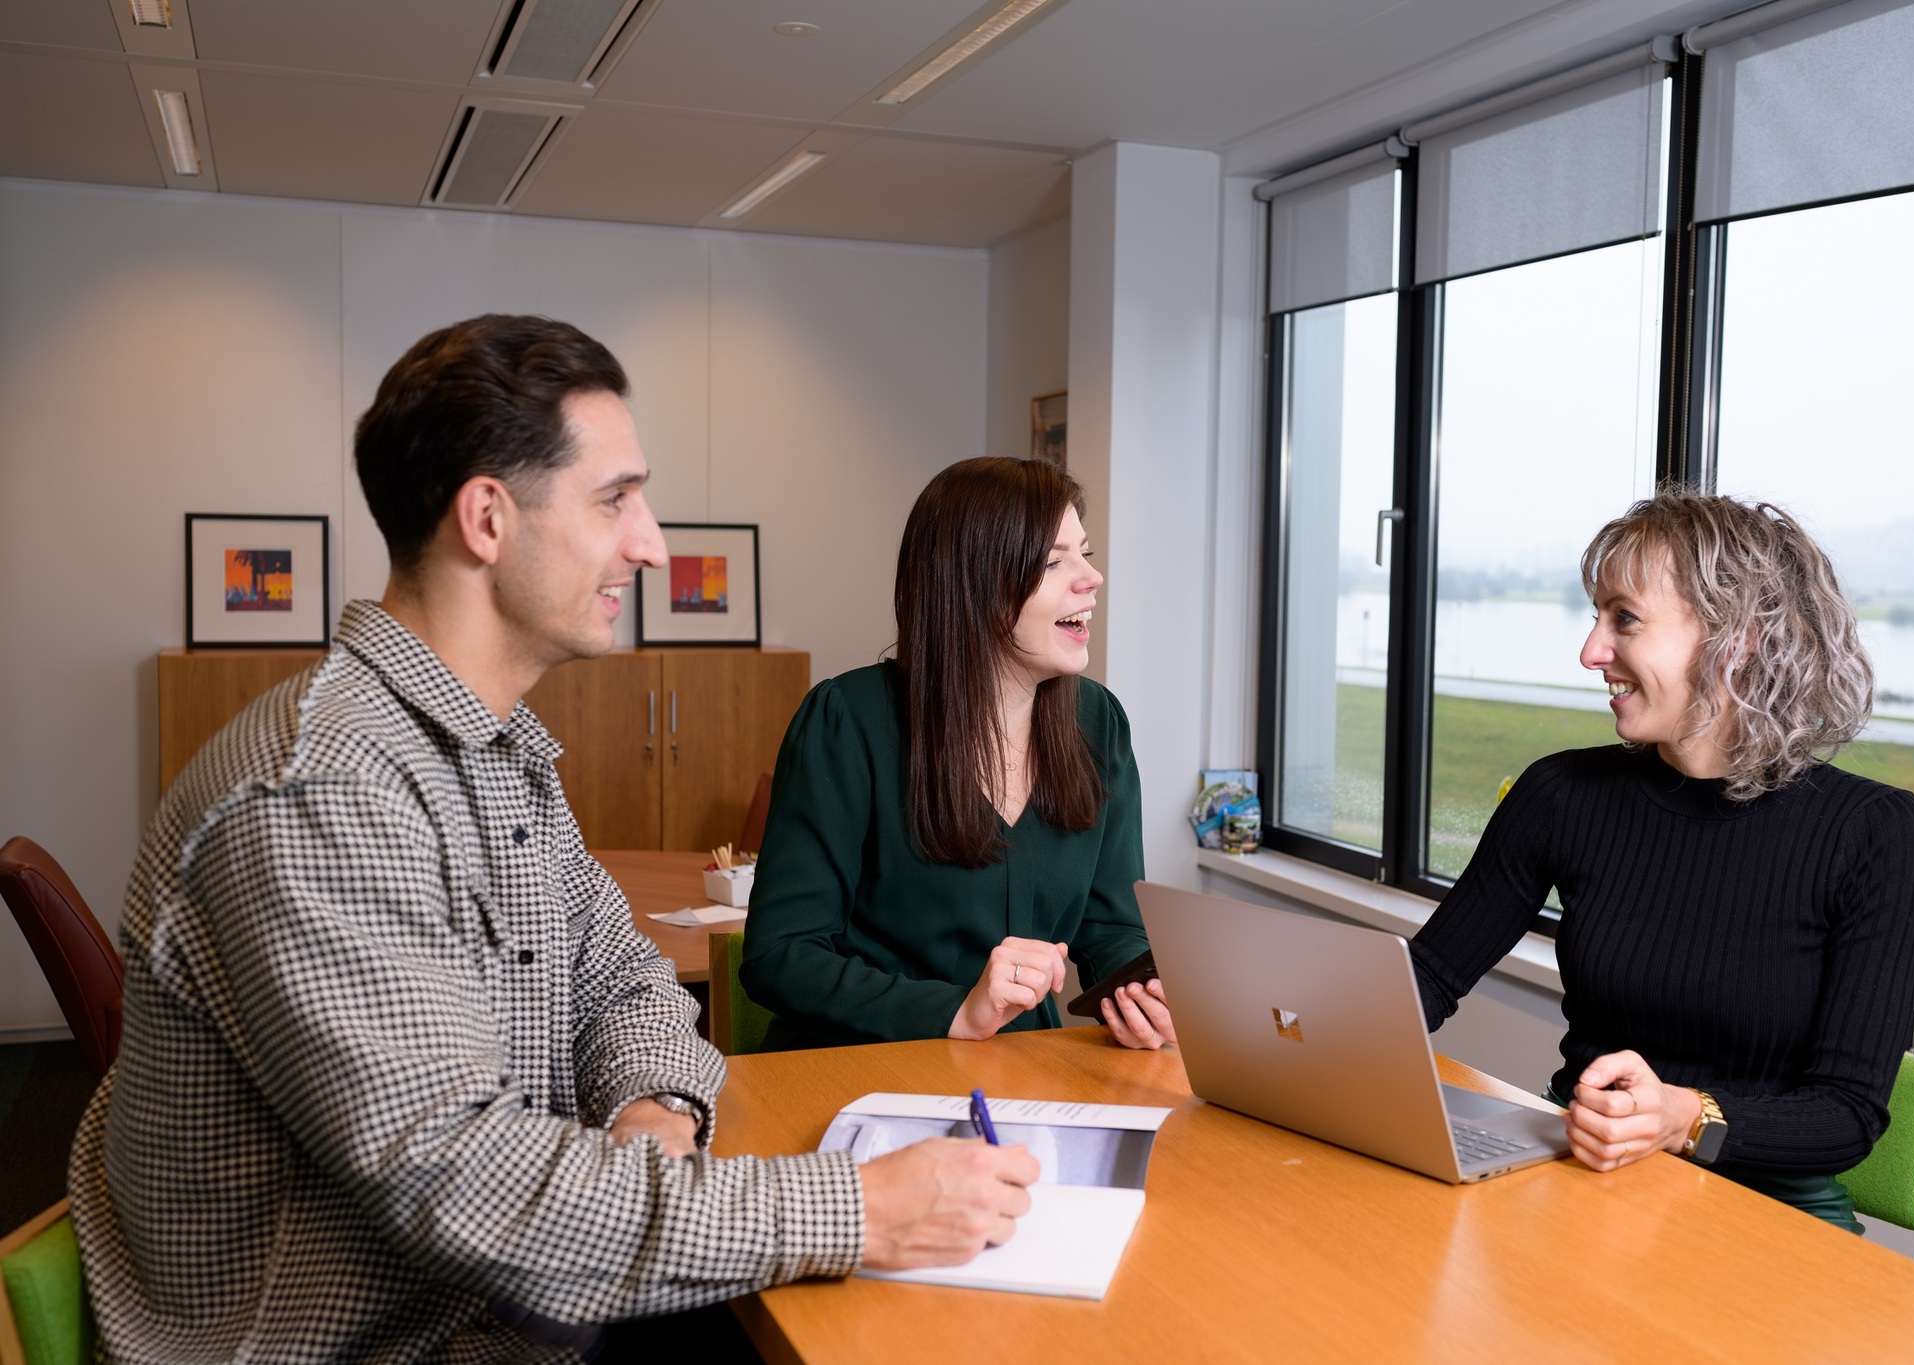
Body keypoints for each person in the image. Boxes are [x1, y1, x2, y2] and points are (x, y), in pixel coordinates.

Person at [68, 315, 1037, 1362]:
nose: (652, 543)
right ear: (487, 519)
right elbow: (465, 1186)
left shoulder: (498, 751)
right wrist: (858, 1211)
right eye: (615, 498)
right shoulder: (319, 796)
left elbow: (625, 983)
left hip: (508, 1303)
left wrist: (654, 1107)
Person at [1408, 490, 1914, 1233]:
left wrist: (1684, 1117)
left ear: (1738, 637)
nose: (1592, 651)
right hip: (1583, 1179)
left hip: (1767, 1218)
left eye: (1624, 618)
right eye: (1596, 617)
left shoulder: (1877, 833)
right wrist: (1260, 1017)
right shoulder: (1561, 793)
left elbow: (1846, 1115)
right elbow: (1425, 979)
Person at [741, 456, 1174, 1051]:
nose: (1091, 578)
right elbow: (781, 956)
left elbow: (1114, 929)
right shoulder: (847, 720)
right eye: (1053, 561)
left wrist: (1142, 995)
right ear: (973, 583)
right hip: (856, 1073)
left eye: (1085, 554)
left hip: (1021, 1075)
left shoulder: (1099, 723)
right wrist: (958, 1012)